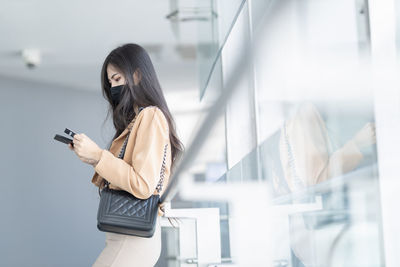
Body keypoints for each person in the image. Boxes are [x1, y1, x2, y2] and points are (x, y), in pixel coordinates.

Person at [67, 43, 184, 267]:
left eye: (117, 79)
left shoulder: (150, 116)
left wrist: (99, 156)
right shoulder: (138, 119)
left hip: (133, 240)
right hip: (126, 237)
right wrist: (93, 158)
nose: (113, 87)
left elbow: (143, 184)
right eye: (110, 82)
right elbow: (127, 177)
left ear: (137, 75)